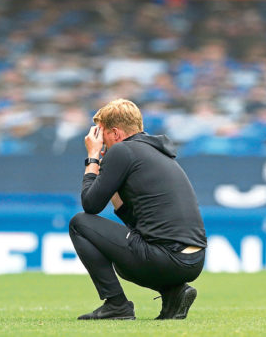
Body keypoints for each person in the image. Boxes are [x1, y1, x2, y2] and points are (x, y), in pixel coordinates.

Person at [69, 98, 207, 320]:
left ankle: (116, 305)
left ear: (116, 133)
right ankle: (174, 293)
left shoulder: (123, 150)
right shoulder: (156, 152)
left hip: (165, 257)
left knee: (79, 223)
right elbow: (135, 221)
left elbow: (90, 205)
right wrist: (110, 178)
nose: (102, 143)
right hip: (193, 261)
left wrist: (93, 158)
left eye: (102, 136)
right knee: (126, 260)